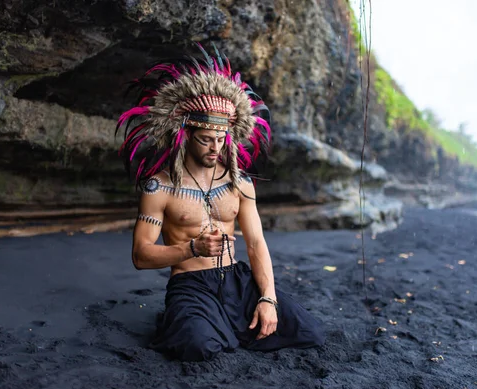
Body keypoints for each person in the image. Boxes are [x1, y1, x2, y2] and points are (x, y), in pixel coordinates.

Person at [116, 44, 324, 361]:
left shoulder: (241, 184)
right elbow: (140, 256)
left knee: (309, 331)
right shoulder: (160, 186)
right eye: (205, 139)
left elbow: (255, 243)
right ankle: (190, 320)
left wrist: (268, 298)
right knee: (197, 347)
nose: (215, 148)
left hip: (237, 279)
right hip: (190, 284)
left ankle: (219, 322)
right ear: (185, 135)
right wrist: (192, 249)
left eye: (220, 139)